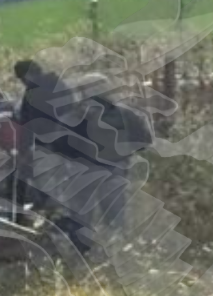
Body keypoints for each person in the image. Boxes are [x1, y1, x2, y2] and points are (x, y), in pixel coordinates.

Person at [12, 60, 152, 257]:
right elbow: (145, 141)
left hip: (82, 173)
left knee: (81, 219)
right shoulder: (126, 114)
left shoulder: (76, 114)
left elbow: (60, 144)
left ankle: (84, 257)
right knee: (115, 219)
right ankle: (119, 255)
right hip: (117, 171)